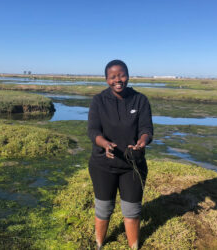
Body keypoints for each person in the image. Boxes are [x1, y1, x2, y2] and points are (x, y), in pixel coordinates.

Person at [88, 60, 153, 249]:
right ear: (106, 79)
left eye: (122, 75)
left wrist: (143, 141)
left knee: (132, 211)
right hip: (103, 164)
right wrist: (104, 144)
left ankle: (134, 246)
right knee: (103, 208)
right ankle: (99, 244)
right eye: (113, 77)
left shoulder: (140, 100)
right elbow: (93, 131)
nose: (118, 80)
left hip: (133, 165)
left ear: (128, 75)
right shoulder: (98, 101)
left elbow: (146, 128)